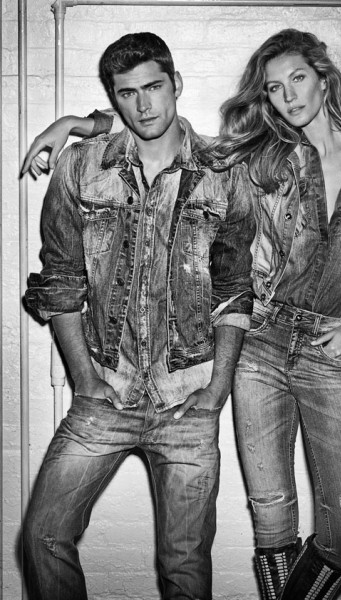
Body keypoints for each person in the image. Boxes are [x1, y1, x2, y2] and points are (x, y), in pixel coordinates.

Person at [22, 28, 341, 600]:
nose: (288, 95)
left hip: (321, 352)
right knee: (271, 519)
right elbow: (152, 130)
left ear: (324, 77)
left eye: (298, 78)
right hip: (254, 344)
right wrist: (78, 124)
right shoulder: (258, 156)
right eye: (274, 87)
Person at [22, 31, 255, 600]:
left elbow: (233, 289)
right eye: (127, 93)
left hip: (188, 400)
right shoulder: (82, 166)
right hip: (107, 393)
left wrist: (217, 390)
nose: (143, 105)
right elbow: (61, 281)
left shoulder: (224, 171)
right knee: (43, 536)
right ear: (114, 97)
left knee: (184, 566)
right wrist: (85, 380)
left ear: (176, 84)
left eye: (153, 87)